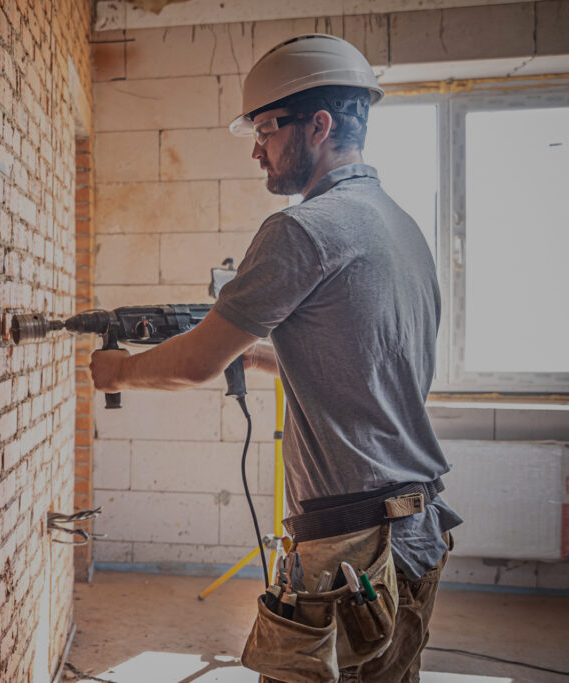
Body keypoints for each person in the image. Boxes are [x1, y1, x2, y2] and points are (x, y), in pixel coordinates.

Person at [88, 34, 461, 682]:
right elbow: (370, 358)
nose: (256, 148)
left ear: (318, 125)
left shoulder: (301, 229)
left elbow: (197, 361)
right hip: (417, 538)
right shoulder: (401, 226)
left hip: (350, 559)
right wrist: (269, 358)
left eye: (265, 128)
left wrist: (116, 371)